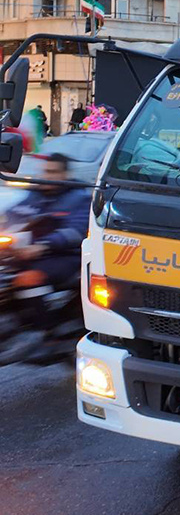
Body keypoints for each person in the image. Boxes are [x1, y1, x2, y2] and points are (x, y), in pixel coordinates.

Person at [0, 153, 90, 364]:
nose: (47, 176)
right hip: (28, 251)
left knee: (28, 279)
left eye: (53, 172)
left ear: (65, 174)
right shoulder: (37, 192)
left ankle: (48, 336)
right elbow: (16, 213)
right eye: (45, 171)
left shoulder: (79, 197)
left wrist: (43, 246)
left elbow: (73, 232)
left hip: (66, 256)